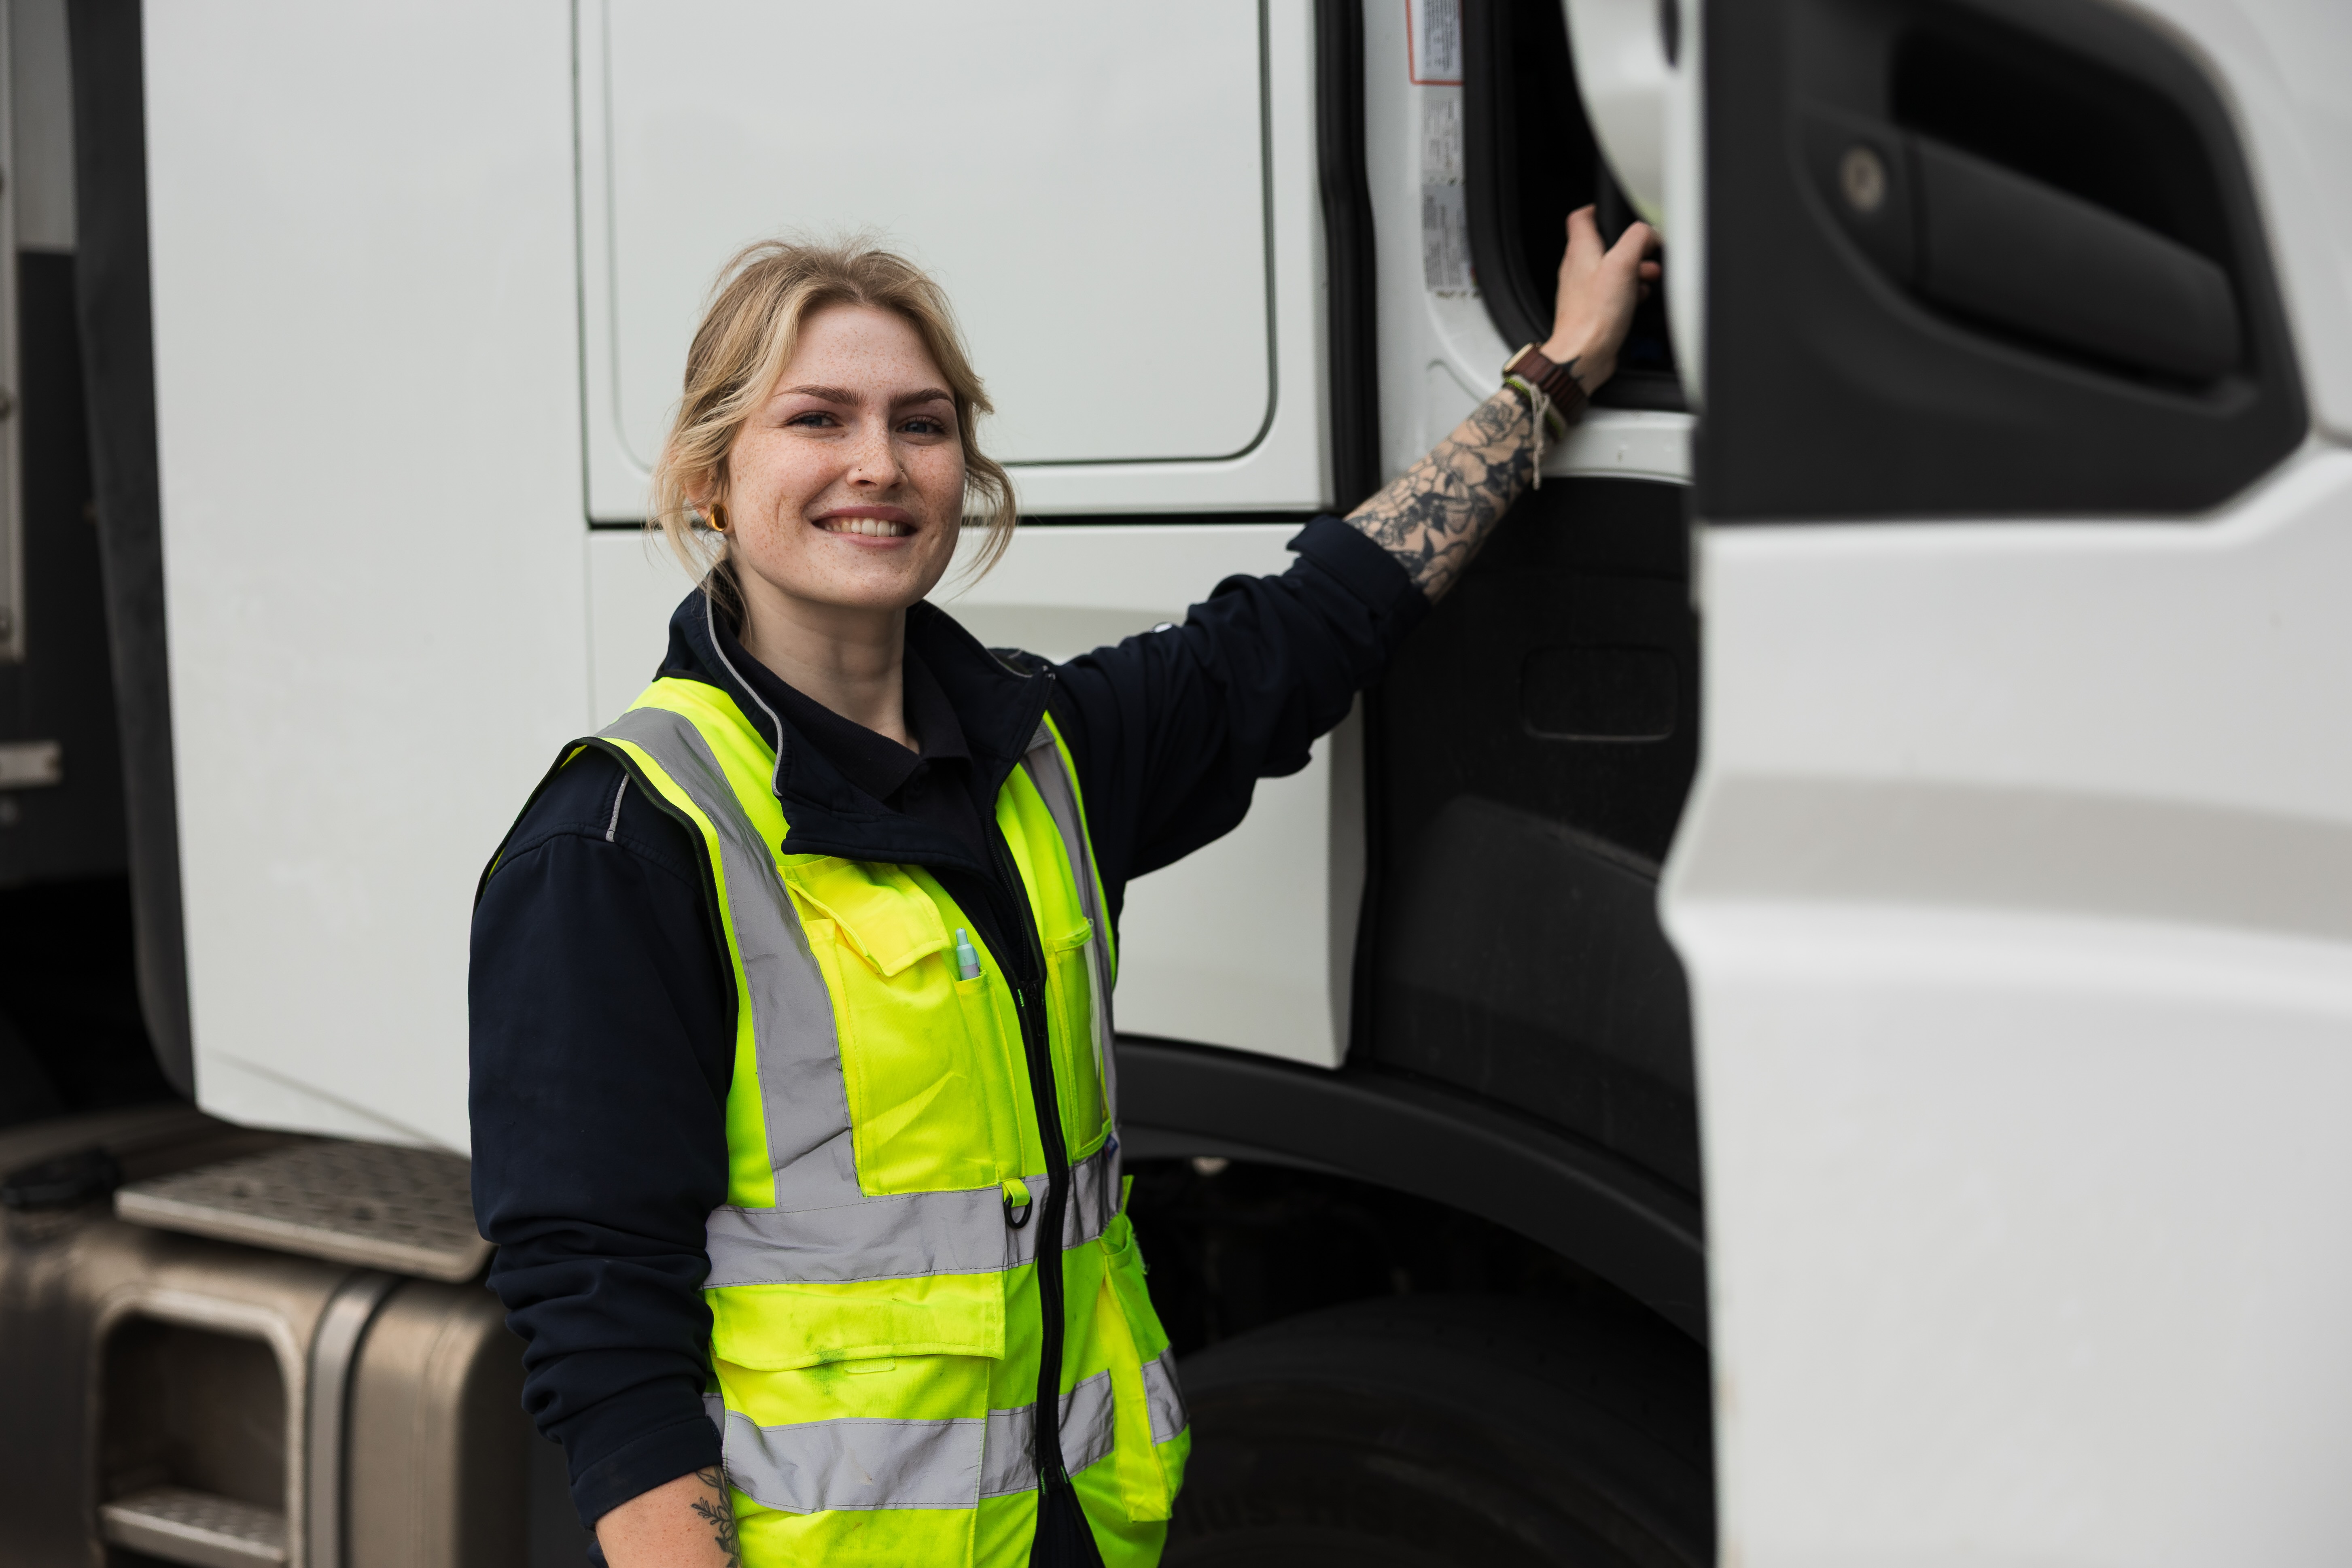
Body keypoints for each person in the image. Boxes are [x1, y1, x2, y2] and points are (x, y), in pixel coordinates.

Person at [469, 208, 1661, 1568]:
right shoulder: (624, 834)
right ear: (708, 480)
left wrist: (1551, 375)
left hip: (1073, 1534)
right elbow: (596, 1307)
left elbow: (1313, 620)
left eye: (922, 424)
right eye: (818, 419)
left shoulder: (1046, 753)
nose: (879, 464)